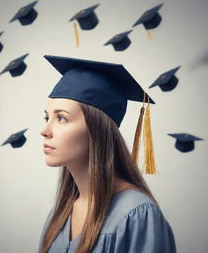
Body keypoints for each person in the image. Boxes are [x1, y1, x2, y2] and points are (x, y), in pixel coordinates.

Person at [38, 55, 177, 253]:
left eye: (61, 118)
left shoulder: (137, 214)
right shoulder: (59, 214)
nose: (44, 130)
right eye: (46, 117)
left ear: (97, 130)